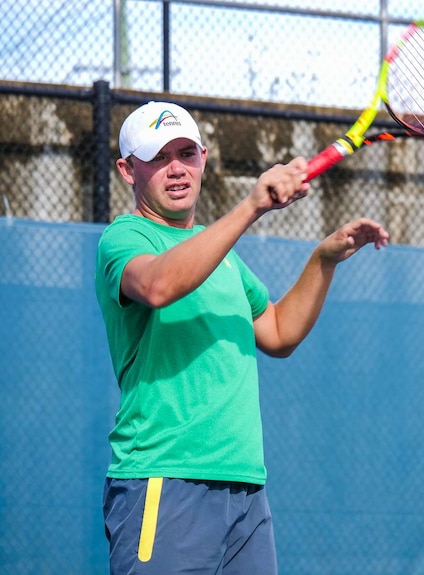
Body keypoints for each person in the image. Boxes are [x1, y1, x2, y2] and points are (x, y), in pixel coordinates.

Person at [94, 101, 389, 574]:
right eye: (158, 156)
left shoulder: (223, 257)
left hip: (245, 488)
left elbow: (277, 332)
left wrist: (324, 259)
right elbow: (157, 286)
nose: (176, 168)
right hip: (164, 479)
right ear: (129, 171)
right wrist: (252, 205)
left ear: (204, 158)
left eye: (186, 153)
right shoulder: (124, 238)